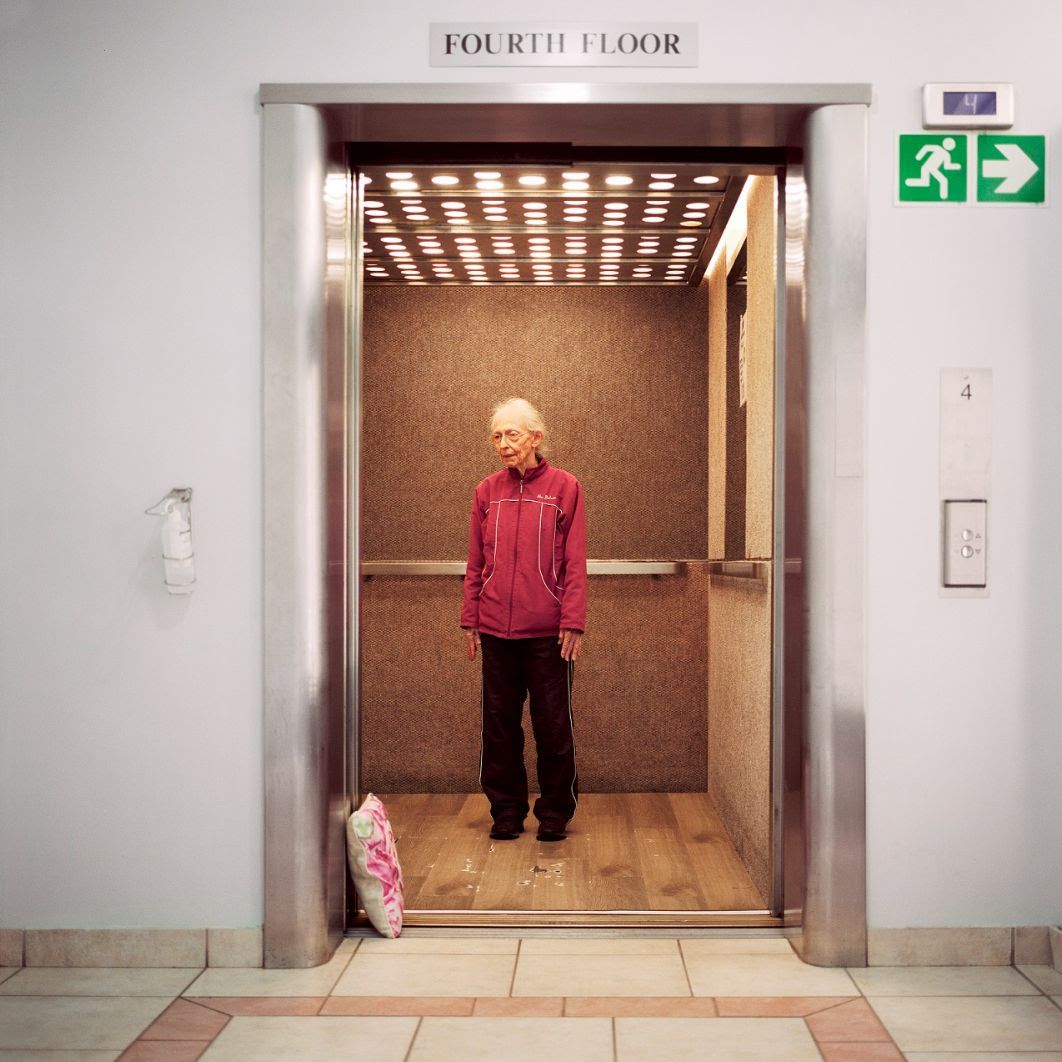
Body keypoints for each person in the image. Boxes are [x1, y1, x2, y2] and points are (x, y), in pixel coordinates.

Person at [460, 398, 587, 843]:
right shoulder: (486, 492)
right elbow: (476, 562)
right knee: (498, 724)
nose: (503, 444)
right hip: (495, 630)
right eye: (496, 436)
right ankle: (506, 811)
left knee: (553, 724)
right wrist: (471, 617)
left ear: (536, 437)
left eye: (512, 434)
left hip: (548, 633)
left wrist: (573, 620)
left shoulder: (565, 487)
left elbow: (574, 562)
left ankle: (554, 811)